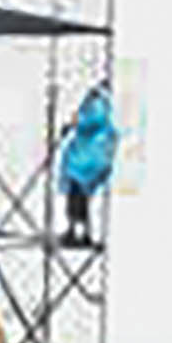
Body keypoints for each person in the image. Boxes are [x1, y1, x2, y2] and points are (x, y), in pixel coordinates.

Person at [57, 83, 117, 249]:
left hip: (87, 159)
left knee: (78, 197)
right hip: (85, 157)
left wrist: (76, 122)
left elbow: (93, 120)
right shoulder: (99, 103)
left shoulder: (100, 104)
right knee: (77, 196)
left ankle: (78, 232)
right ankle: (75, 231)